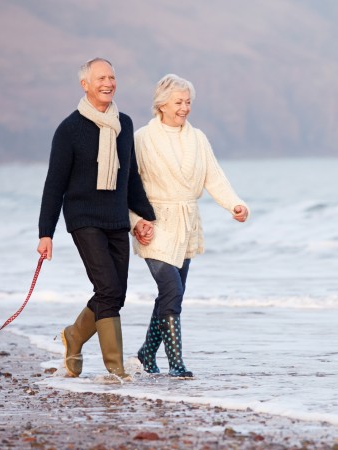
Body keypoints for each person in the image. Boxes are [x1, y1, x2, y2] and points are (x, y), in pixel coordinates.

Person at [36, 57, 157, 380]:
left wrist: (147, 217)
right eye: (101, 78)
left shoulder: (125, 124)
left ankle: (74, 336)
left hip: (116, 218)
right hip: (83, 218)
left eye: (112, 77)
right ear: (85, 84)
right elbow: (54, 184)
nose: (108, 83)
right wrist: (45, 233)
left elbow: (130, 178)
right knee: (107, 287)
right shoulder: (69, 129)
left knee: (115, 293)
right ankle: (115, 368)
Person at [130, 74, 249, 378]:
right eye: (178, 102)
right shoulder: (143, 138)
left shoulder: (198, 138)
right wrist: (135, 221)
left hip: (186, 223)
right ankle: (176, 363)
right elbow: (130, 184)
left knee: (172, 294)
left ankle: (145, 354)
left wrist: (234, 204)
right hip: (154, 223)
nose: (185, 108)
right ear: (162, 104)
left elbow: (214, 176)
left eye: (188, 102)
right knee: (172, 289)